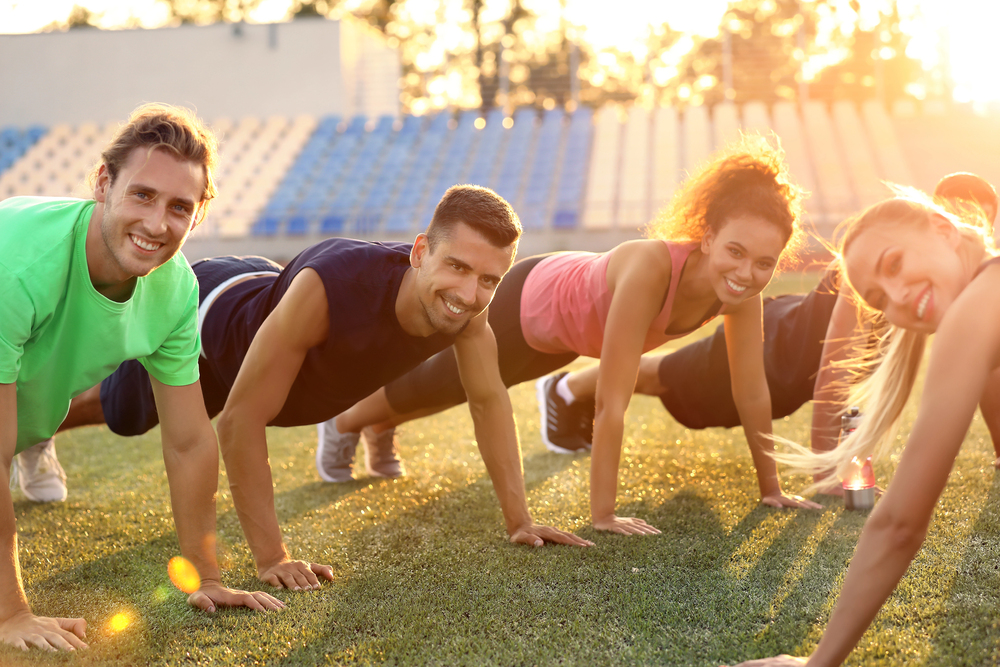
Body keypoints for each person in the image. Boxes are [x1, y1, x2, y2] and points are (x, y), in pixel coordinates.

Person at [59, 184, 591, 593]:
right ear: (420, 251)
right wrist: (272, 557)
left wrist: (520, 520)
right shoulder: (333, 289)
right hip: (215, 316)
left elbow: (488, 400)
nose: (469, 293)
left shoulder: (468, 311)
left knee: (172, 405)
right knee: (124, 412)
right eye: (456, 266)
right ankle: (38, 426)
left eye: (489, 280)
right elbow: (242, 422)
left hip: (268, 298)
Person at [330, 135, 821, 537]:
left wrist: (770, 487)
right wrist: (603, 515)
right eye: (735, 251)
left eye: (764, 263)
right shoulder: (653, 269)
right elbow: (611, 401)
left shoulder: (740, 295)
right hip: (535, 300)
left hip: (568, 337)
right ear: (709, 236)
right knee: (443, 384)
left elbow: (751, 388)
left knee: (454, 389)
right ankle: (345, 421)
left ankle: (377, 426)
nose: (746, 273)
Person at [0, 104, 282, 652]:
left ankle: (33, 442)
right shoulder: (17, 261)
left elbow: (188, 440)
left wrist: (207, 575)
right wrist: (10, 613)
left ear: (198, 216)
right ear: (104, 183)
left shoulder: (175, 289)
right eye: (143, 195)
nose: (157, 225)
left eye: (180, 207)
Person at [539, 172, 1000, 483]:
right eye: (958, 214)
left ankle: (572, 387)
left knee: (674, 379)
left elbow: (988, 368)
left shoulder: (961, 289)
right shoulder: (886, 259)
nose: (969, 225)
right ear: (937, 219)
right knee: (672, 382)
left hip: (791, 374)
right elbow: (834, 365)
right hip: (774, 347)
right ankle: (566, 388)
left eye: (979, 216)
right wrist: (827, 475)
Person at [733, 189, 1000, 666]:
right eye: (878, 299)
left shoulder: (975, 309)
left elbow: (899, 525)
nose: (897, 296)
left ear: (943, 228)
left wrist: (817, 664)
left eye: (894, 263)